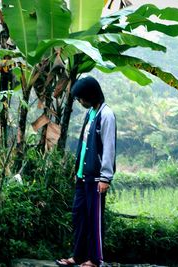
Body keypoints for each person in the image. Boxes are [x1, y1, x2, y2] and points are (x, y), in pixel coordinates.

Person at [56, 76, 117, 267]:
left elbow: (109, 147)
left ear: (91, 95)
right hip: (83, 176)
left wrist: (106, 177)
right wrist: (78, 170)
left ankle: (95, 259)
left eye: (81, 97)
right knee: (79, 216)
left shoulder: (106, 115)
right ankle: (78, 256)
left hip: (97, 178)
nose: (80, 101)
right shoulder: (90, 113)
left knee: (94, 219)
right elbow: (84, 145)